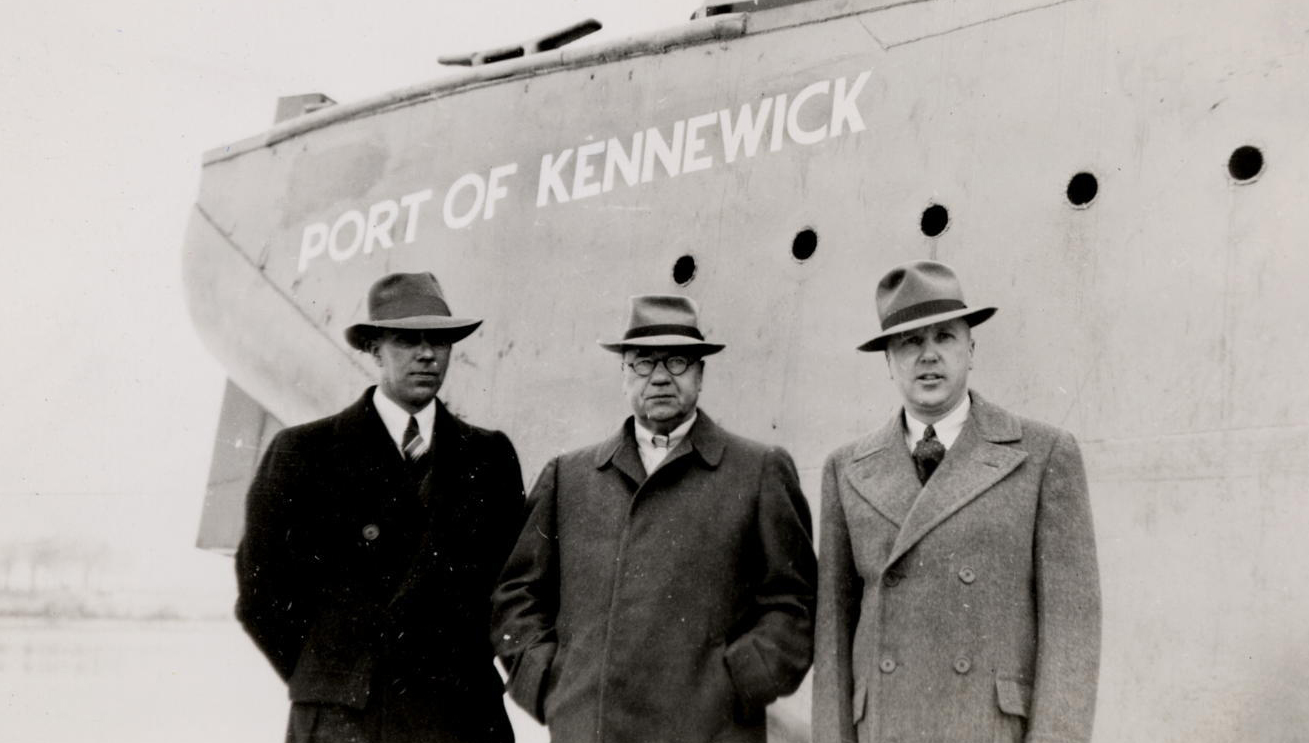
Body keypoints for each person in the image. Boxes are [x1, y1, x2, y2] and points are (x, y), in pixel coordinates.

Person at [491, 294, 815, 743]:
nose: (660, 377)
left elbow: (793, 604)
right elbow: (517, 596)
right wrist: (549, 682)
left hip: (711, 731)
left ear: (701, 374)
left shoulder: (758, 470)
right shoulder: (569, 477)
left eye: (678, 362)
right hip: (589, 729)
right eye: (643, 362)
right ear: (623, 375)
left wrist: (735, 681)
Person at [813, 260, 1101, 743]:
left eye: (944, 337)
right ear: (888, 361)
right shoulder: (845, 468)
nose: (928, 356)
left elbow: (1072, 637)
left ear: (971, 348)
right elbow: (834, 640)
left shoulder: (1043, 453)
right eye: (909, 342)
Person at [235, 272, 526, 743]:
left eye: (441, 340)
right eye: (408, 340)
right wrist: (333, 675)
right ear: (373, 348)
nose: (428, 355)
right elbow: (261, 595)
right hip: (347, 719)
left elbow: (511, 588)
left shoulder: (489, 457)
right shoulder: (303, 453)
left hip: (459, 715)